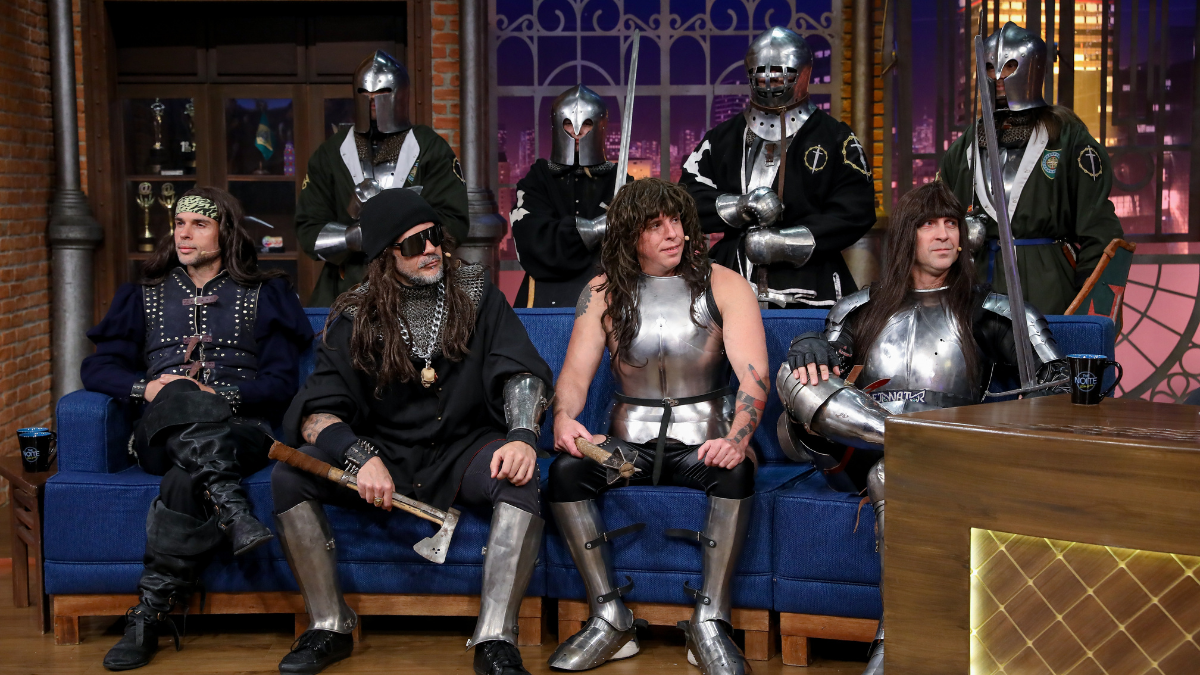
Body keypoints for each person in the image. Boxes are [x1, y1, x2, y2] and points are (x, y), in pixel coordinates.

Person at [775, 181, 1069, 675]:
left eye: (951, 223)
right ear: (906, 236)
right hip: (866, 444)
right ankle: (907, 439)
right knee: (794, 374)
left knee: (893, 474)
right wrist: (810, 346)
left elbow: (1058, 380)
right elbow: (821, 380)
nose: (943, 235)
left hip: (952, 454)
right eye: (928, 224)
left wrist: (1046, 390)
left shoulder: (990, 310)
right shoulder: (859, 309)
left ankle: (893, 640)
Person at [270, 188, 555, 675]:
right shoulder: (355, 315)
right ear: (385, 255)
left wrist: (523, 436)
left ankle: (495, 638)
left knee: (519, 478)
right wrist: (360, 456)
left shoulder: (477, 293)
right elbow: (317, 412)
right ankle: (329, 624)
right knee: (289, 476)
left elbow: (520, 371)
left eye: (435, 236)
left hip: (464, 446)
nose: (431, 249)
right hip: (383, 451)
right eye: (413, 243)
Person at [82, 187, 313, 670]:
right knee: (178, 394)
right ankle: (233, 509)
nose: (184, 234)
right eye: (179, 223)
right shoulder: (143, 294)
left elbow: (280, 384)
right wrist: (148, 388)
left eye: (199, 224)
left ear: (225, 232)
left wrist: (219, 397)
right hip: (159, 433)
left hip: (240, 431)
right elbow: (97, 368)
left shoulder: (265, 293)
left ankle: (147, 616)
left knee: (184, 477)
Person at [548, 178, 769, 674]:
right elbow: (574, 378)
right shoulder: (602, 291)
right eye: (655, 225)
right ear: (631, 236)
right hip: (629, 443)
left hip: (706, 439)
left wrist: (737, 439)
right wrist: (564, 421)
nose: (673, 234)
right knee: (565, 473)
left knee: (735, 472)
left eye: (677, 222)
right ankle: (610, 616)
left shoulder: (725, 284)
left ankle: (710, 621)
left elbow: (754, 376)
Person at [681, 26, 876, 308]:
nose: (770, 84)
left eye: (780, 75)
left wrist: (784, 242)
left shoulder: (836, 138)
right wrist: (741, 205)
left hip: (813, 285)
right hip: (731, 279)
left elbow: (856, 209)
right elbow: (686, 199)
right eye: (762, 75)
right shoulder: (721, 139)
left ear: (804, 74)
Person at [939, 21, 1123, 315]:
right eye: (990, 69)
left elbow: (1099, 231)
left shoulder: (1067, 138)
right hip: (978, 294)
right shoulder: (966, 147)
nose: (999, 78)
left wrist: (1085, 305)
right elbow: (938, 220)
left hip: (1049, 290)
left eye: (1010, 66)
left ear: (1032, 69)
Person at [296, 49, 469, 307]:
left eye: (382, 93)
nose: (372, 101)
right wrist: (354, 237)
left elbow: (454, 221)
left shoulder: (430, 148)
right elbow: (309, 229)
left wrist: (403, 235)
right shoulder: (330, 153)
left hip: (418, 282)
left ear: (400, 93)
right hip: (348, 283)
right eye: (365, 94)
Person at [511, 85, 631, 309]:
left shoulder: (620, 181)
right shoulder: (537, 180)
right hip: (545, 294)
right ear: (557, 125)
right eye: (568, 123)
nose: (577, 132)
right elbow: (533, 241)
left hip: (605, 291)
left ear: (600, 126)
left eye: (586, 124)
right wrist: (597, 228)